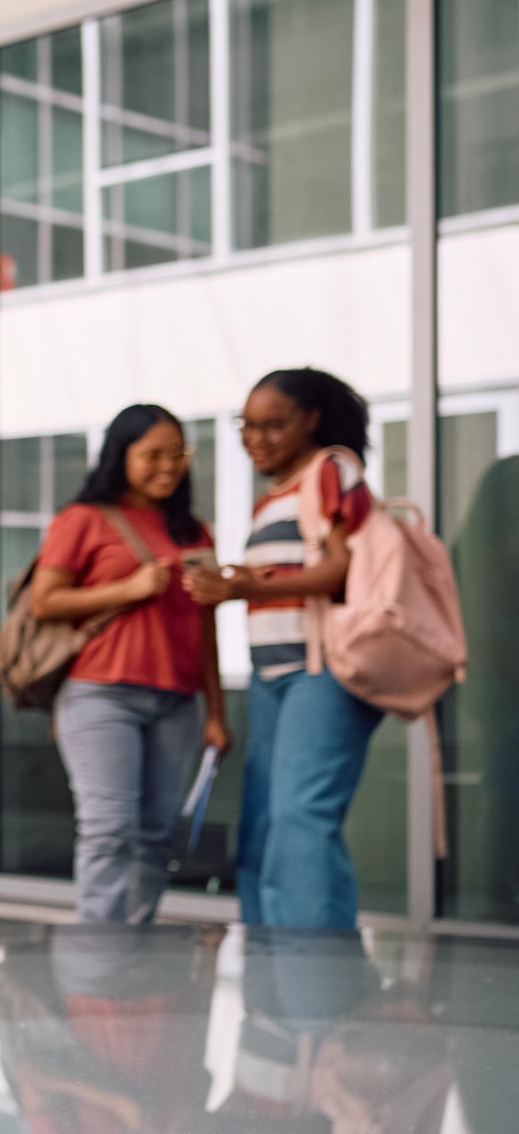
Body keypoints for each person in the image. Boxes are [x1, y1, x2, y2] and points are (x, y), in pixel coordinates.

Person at [183, 367, 377, 929]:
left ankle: (318, 983)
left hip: (322, 670)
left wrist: (250, 585)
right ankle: (273, 985)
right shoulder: (271, 498)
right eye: (248, 426)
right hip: (273, 678)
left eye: (274, 425)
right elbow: (288, 575)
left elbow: (343, 571)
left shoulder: (330, 470)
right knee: (262, 821)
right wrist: (234, 584)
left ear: (311, 421)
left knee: (301, 818)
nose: (256, 438)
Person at [28, 404, 228, 923]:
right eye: (153, 455)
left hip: (178, 700)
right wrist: (130, 588)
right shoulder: (83, 520)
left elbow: (205, 627)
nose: (169, 465)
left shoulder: (195, 532)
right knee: (109, 829)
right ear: (122, 457)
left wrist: (216, 712)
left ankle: (134, 953)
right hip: (101, 693)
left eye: (177, 453)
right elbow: (44, 601)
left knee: (156, 834)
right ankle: (99, 963)